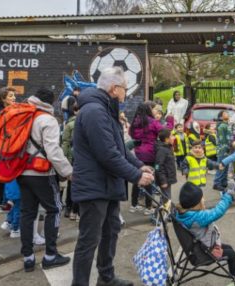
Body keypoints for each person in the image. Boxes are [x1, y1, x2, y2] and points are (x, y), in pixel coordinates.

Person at [71, 67, 154, 286]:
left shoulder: (105, 110)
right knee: (89, 240)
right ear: (114, 88)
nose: (126, 93)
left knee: (110, 232)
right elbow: (106, 154)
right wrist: (135, 176)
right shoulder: (95, 112)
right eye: (125, 88)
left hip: (107, 185)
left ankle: (106, 278)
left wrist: (139, 165)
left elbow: (119, 149)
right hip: (94, 186)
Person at [16, 88, 73, 272]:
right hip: (42, 173)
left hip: (21, 171)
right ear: (51, 102)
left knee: (27, 213)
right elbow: (53, 151)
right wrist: (68, 171)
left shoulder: (21, 115)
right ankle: (50, 255)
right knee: (55, 209)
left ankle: (28, 257)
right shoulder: (47, 119)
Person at [176, 182, 235, 286]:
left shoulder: (183, 214)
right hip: (205, 252)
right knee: (231, 254)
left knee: (230, 248)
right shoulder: (198, 218)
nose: (204, 200)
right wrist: (228, 196)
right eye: (202, 198)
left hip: (201, 246)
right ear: (195, 204)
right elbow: (217, 211)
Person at [129, 102, 173, 215]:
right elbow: (164, 131)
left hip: (138, 152)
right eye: (153, 108)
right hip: (150, 153)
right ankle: (148, 207)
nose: (155, 111)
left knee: (137, 177)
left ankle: (134, 205)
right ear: (149, 109)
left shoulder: (135, 120)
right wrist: (171, 120)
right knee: (148, 178)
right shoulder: (152, 121)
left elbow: (131, 134)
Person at [0, 87, 16, 209]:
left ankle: (6, 200)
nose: (14, 98)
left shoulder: (10, 110)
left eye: (13, 95)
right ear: (3, 99)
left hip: (8, 147)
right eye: (10, 96)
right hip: (1, 148)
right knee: (0, 175)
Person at [62, 103, 79, 220]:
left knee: (74, 185)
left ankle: (73, 209)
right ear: (75, 111)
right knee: (71, 184)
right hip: (72, 159)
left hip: (77, 159)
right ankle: (69, 208)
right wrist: (66, 160)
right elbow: (65, 143)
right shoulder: (70, 124)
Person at [155, 128, 177, 204]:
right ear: (167, 139)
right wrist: (163, 181)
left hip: (168, 179)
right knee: (167, 199)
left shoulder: (168, 147)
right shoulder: (162, 150)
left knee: (165, 198)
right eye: (172, 136)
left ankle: (162, 213)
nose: (174, 137)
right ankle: (165, 214)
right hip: (165, 180)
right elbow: (158, 166)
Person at [214, 110, 231, 190]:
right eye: (225, 113)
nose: (227, 114)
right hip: (222, 149)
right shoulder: (221, 126)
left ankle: (224, 182)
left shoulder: (227, 125)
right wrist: (227, 146)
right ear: (221, 117)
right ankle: (217, 183)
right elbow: (223, 140)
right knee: (221, 165)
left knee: (226, 166)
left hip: (227, 149)